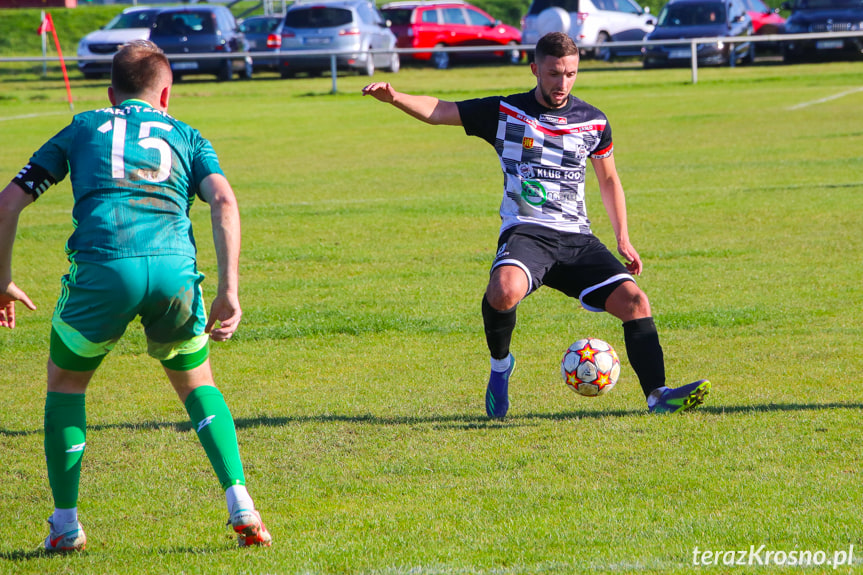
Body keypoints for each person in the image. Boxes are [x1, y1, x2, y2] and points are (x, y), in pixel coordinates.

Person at [0, 40, 271, 551]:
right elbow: (224, 199)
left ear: (109, 92)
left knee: (66, 385)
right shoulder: (187, 135)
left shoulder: (82, 127)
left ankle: (65, 525)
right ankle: (241, 501)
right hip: (173, 272)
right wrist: (230, 288)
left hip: (105, 270)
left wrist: (1, 278)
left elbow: (7, 204)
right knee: (197, 383)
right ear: (165, 93)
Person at [362, 32, 710, 418]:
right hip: (526, 232)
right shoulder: (506, 113)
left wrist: (623, 238)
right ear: (535, 70)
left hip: (577, 239)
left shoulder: (593, 121)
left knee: (635, 302)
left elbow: (608, 180)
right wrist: (395, 98)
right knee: (503, 291)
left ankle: (658, 395)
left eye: (571, 74)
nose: (562, 83)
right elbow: (441, 109)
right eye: (554, 74)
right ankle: (500, 366)